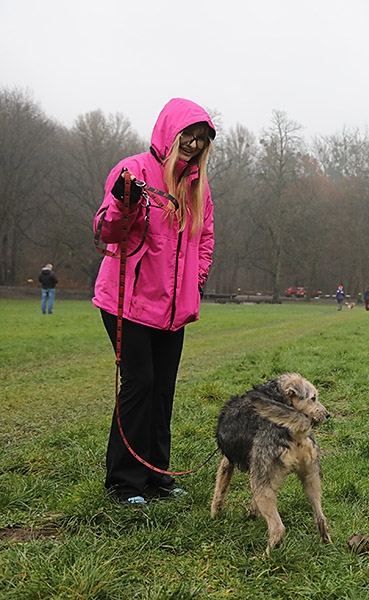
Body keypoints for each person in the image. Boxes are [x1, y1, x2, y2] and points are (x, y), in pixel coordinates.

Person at [92, 98, 216, 506]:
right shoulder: (134, 170)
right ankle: (124, 483)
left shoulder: (197, 185)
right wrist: (121, 201)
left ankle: (157, 477)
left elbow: (205, 239)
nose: (194, 145)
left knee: (163, 389)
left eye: (202, 140)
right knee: (140, 384)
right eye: (189, 136)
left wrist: (195, 284)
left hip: (173, 309)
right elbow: (107, 232)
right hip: (128, 302)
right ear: (169, 132)